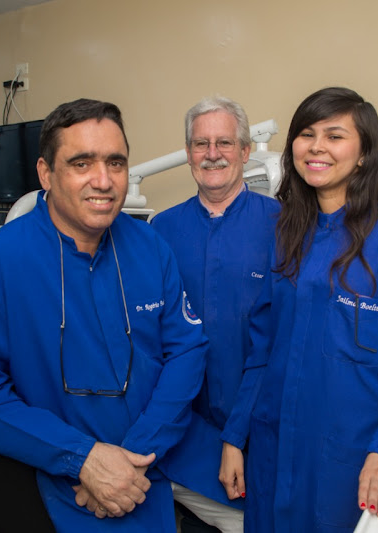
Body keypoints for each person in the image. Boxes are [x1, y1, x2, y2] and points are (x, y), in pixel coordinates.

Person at [0, 98, 208, 532]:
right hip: (67, 475)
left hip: (161, 446)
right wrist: (81, 458)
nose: (103, 180)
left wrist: (136, 455)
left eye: (116, 163)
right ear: (46, 173)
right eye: (82, 163)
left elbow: (187, 350)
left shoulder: (150, 246)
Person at [220, 87, 378, 532]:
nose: (316, 146)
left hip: (349, 462)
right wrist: (235, 436)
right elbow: (263, 348)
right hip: (274, 450)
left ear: (363, 154)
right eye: (306, 134)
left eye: (334, 135)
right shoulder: (288, 233)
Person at [151, 96, 280, 532]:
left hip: (259, 425)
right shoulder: (161, 230)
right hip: (185, 426)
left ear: (245, 151)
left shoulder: (282, 224)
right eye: (200, 143)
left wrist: (237, 435)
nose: (212, 154)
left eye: (224, 142)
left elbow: (275, 341)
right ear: (188, 153)